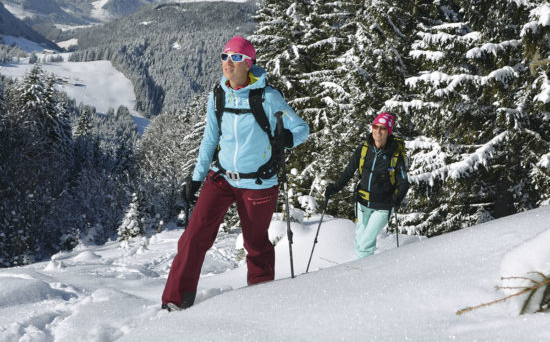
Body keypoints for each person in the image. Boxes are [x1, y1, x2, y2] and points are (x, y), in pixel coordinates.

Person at [161, 36, 309, 311]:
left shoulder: (267, 96)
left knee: (256, 245)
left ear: (249, 63)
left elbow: (302, 129)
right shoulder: (218, 95)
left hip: (259, 181)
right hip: (221, 177)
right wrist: (196, 176)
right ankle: (174, 301)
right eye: (225, 56)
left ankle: (259, 303)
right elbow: (209, 138)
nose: (228, 62)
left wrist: (285, 139)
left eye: (236, 57)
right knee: (193, 237)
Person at [325, 113, 409, 259]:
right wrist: (335, 188)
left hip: (382, 207)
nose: (378, 131)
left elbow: (404, 182)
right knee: (359, 240)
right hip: (362, 203)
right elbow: (349, 171)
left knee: (365, 243)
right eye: (376, 127)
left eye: (383, 128)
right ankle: (363, 270)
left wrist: (396, 200)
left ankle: (360, 274)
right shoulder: (363, 149)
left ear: (389, 132)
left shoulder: (395, 155)